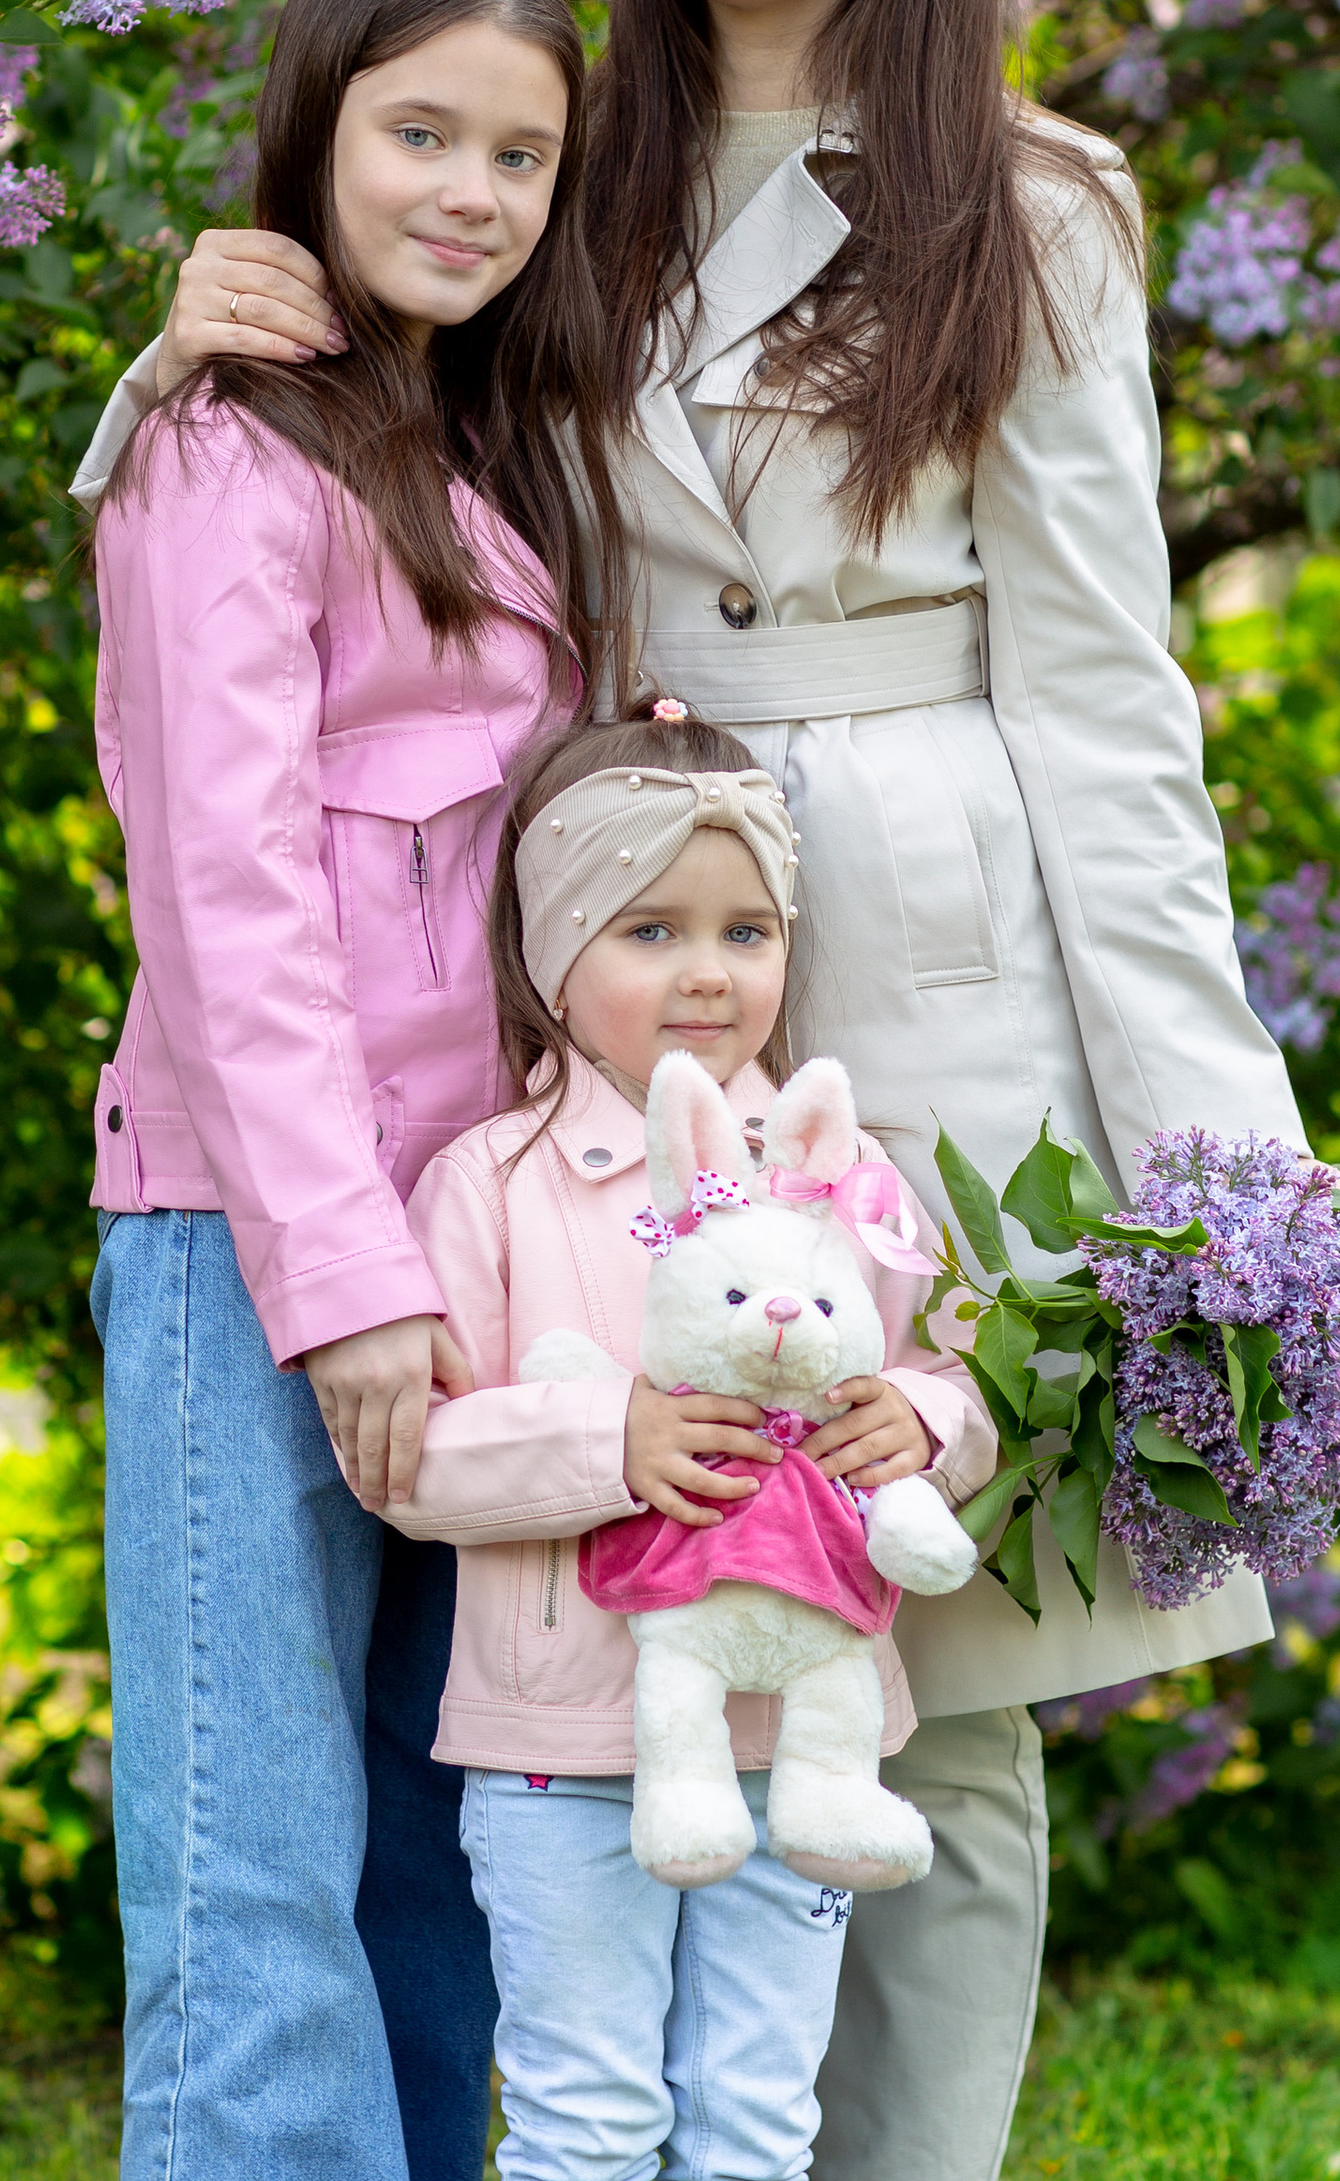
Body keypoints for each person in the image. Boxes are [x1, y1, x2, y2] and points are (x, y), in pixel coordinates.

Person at [75, 0, 1310, 2170]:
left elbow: (1109, 707)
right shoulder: (550, 149)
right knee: (548, 1685)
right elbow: (328, 475)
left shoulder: (1029, 198)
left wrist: (1227, 1178)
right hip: (610, 967)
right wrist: (169, 344)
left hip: (925, 957)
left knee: (919, 1681)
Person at [81, 0, 628, 2181]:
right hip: (260, 1243)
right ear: (313, 132)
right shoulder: (227, 452)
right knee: (255, 1878)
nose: (469, 192)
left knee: (446, 1864)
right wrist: (350, 1285)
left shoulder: (495, 454)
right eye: (419, 130)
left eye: (518, 153)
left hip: (474, 1245)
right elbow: (230, 907)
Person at [383, 701, 996, 2181]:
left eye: (745, 932)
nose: (710, 975)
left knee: (756, 2118)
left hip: (802, 1744)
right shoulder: (493, 1184)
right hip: (560, 1749)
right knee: (585, 2118)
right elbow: (409, 1458)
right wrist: (613, 1437)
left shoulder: (843, 1180)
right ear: (554, 954)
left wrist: (918, 1419)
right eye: (649, 931)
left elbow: (954, 1371)